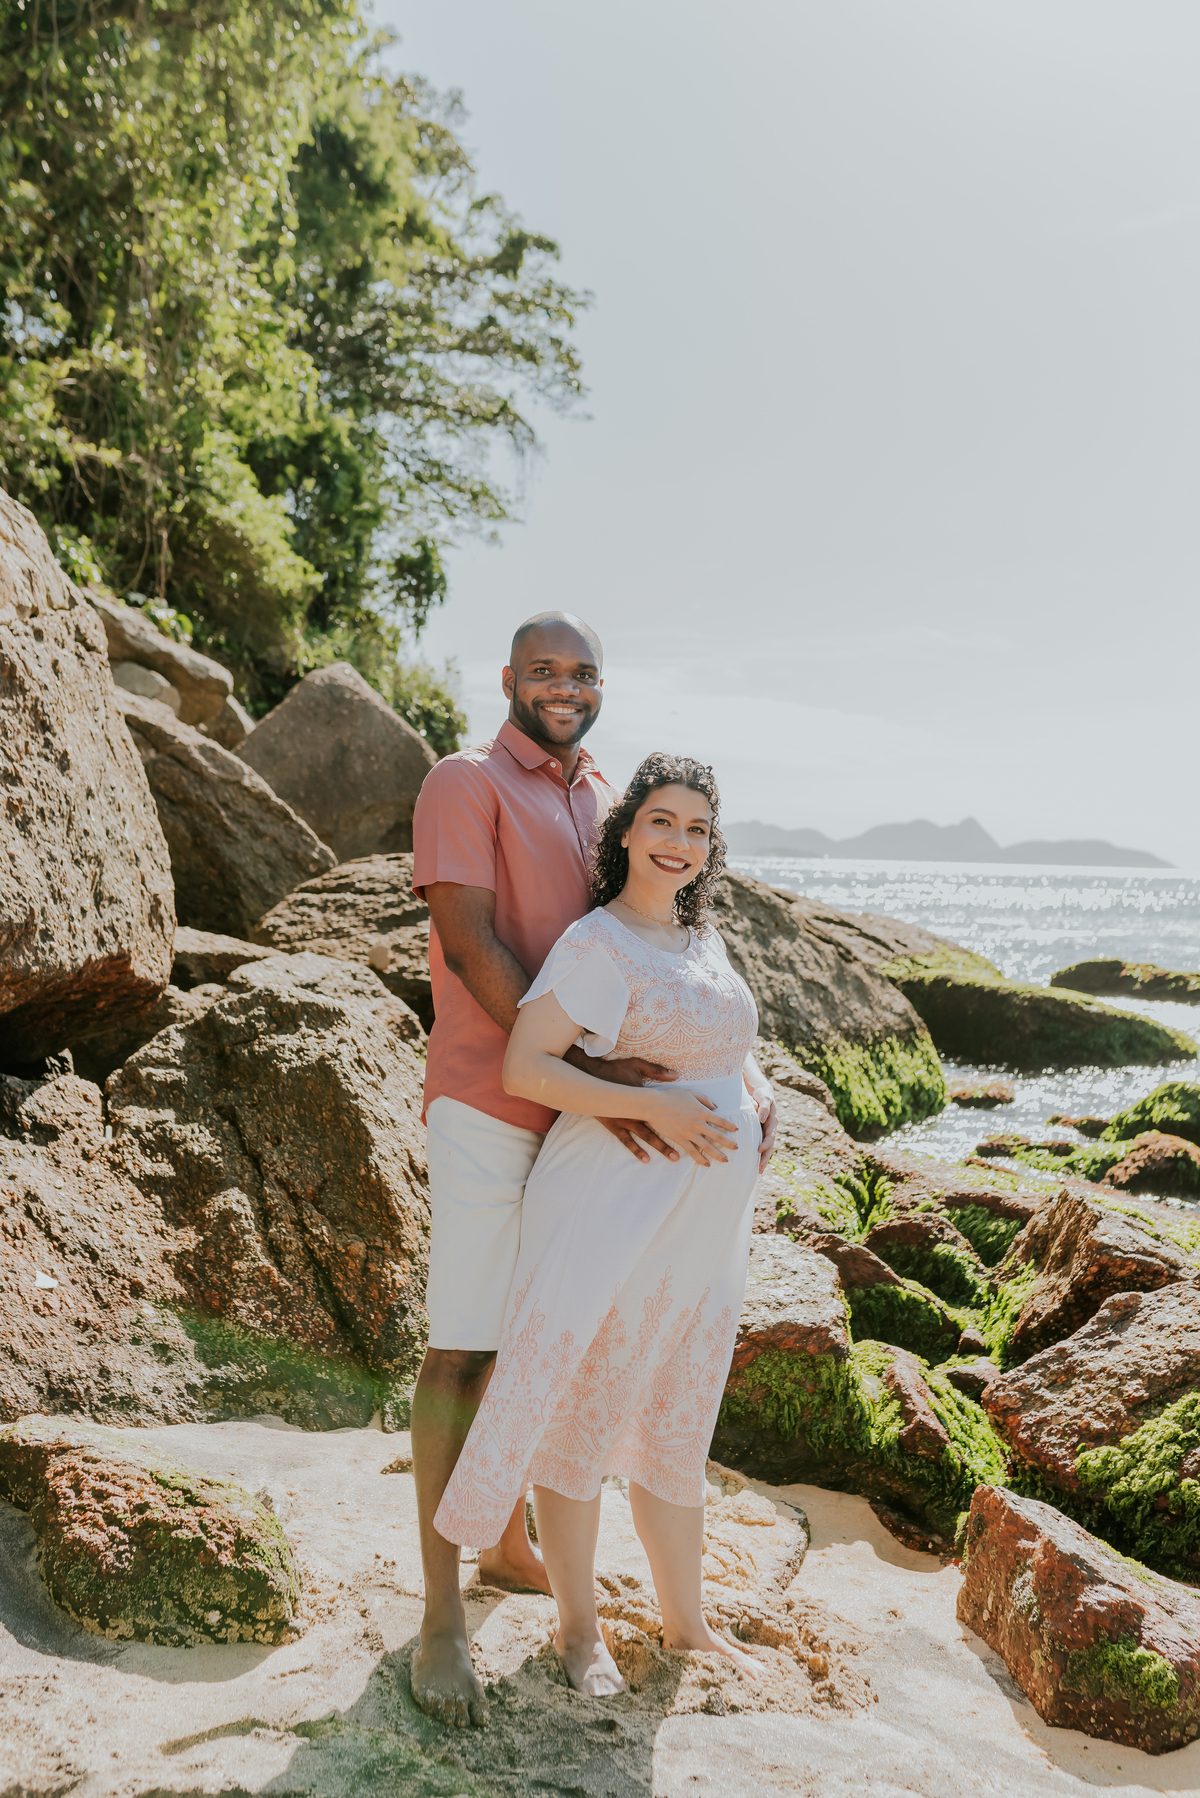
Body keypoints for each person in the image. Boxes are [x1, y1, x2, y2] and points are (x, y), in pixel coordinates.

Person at [409, 613, 705, 1727]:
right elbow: (471, 943)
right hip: (491, 1104)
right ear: (509, 681)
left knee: (554, 1338)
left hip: (579, 1117)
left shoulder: (597, 799)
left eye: (582, 671)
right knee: (467, 1349)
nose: (564, 686)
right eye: (544, 669)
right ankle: (440, 1616)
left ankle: (503, 1544)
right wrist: (597, 1063)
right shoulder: (463, 779)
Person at [434, 752, 776, 1698]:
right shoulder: (597, 944)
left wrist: (758, 1088)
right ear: (626, 829)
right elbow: (527, 1067)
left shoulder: (699, 939)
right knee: (582, 1403)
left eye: (698, 830)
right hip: (610, 1204)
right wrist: (664, 1115)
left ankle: (687, 1624)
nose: (680, 843)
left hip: (700, 1229)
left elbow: (719, 1043)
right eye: (663, 822)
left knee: (676, 1409)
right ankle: (579, 1633)